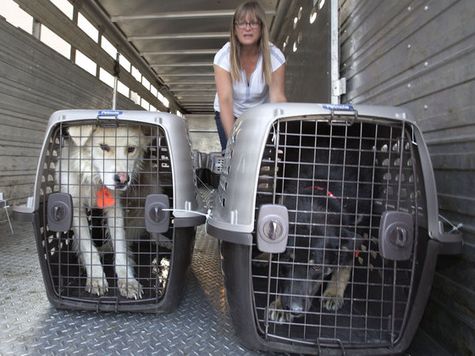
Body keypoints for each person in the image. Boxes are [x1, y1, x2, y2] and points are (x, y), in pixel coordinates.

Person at [213, 0, 287, 150]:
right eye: (241, 23)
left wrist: (282, 138)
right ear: (234, 29)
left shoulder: (275, 57)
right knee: (234, 158)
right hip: (230, 112)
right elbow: (225, 100)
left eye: (253, 23)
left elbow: (277, 98)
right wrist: (232, 143)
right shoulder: (223, 57)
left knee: (261, 158)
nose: (247, 28)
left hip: (261, 114)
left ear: (261, 27)